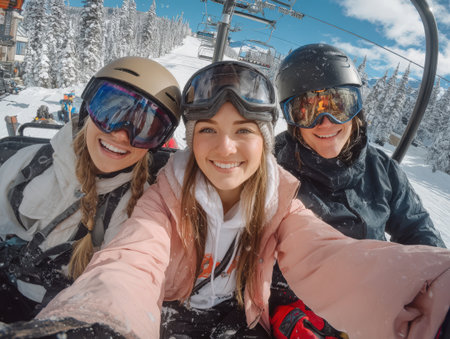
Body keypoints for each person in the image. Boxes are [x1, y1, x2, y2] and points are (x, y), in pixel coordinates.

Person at [8, 61, 449, 339]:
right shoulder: (167, 195)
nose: (226, 149)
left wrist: (431, 295)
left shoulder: (281, 202)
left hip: (240, 320)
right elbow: (133, 259)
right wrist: (100, 318)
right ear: (190, 141)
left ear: (264, 140)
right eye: (208, 131)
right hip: (170, 316)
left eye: (243, 131)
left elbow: (328, 257)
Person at [269, 43, 446, 338]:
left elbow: (419, 233)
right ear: (291, 120)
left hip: (377, 307)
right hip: (304, 310)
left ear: (357, 108)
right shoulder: (273, 168)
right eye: (306, 109)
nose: (325, 122)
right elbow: (253, 250)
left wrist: (438, 290)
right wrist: (284, 306)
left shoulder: (381, 169)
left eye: (339, 105)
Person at [0, 56, 181, 323]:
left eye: (144, 128)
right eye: (110, 112)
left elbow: (126, 283)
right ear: (88, 109)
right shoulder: (30, 164)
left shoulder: (139, 206)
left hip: (63, 316)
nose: (121, 134)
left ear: (157, 142)